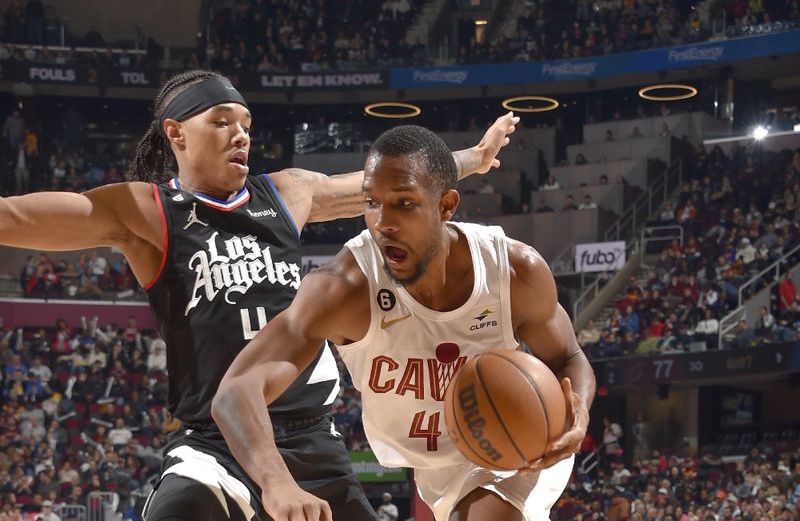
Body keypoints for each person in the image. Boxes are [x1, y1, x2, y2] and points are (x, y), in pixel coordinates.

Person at [0, 70, 518, 521]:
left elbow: (394, 180)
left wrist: (476, 156)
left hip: (311, 440)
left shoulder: (287, 192)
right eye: (222, 121)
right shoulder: (147, 210)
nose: (240, 134)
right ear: (176, 133)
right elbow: (19, 217)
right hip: (213, 444)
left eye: (246, 124)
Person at [212, 125, 595, 521]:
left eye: (404, 203)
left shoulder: (514, 271)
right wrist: (276, 482)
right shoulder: (342, 289)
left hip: (520, 435)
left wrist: (578, 409)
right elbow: (236, 391)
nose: (382, 223)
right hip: (435, 467)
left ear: (446, 205)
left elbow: (568, 356)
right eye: (372, 203)